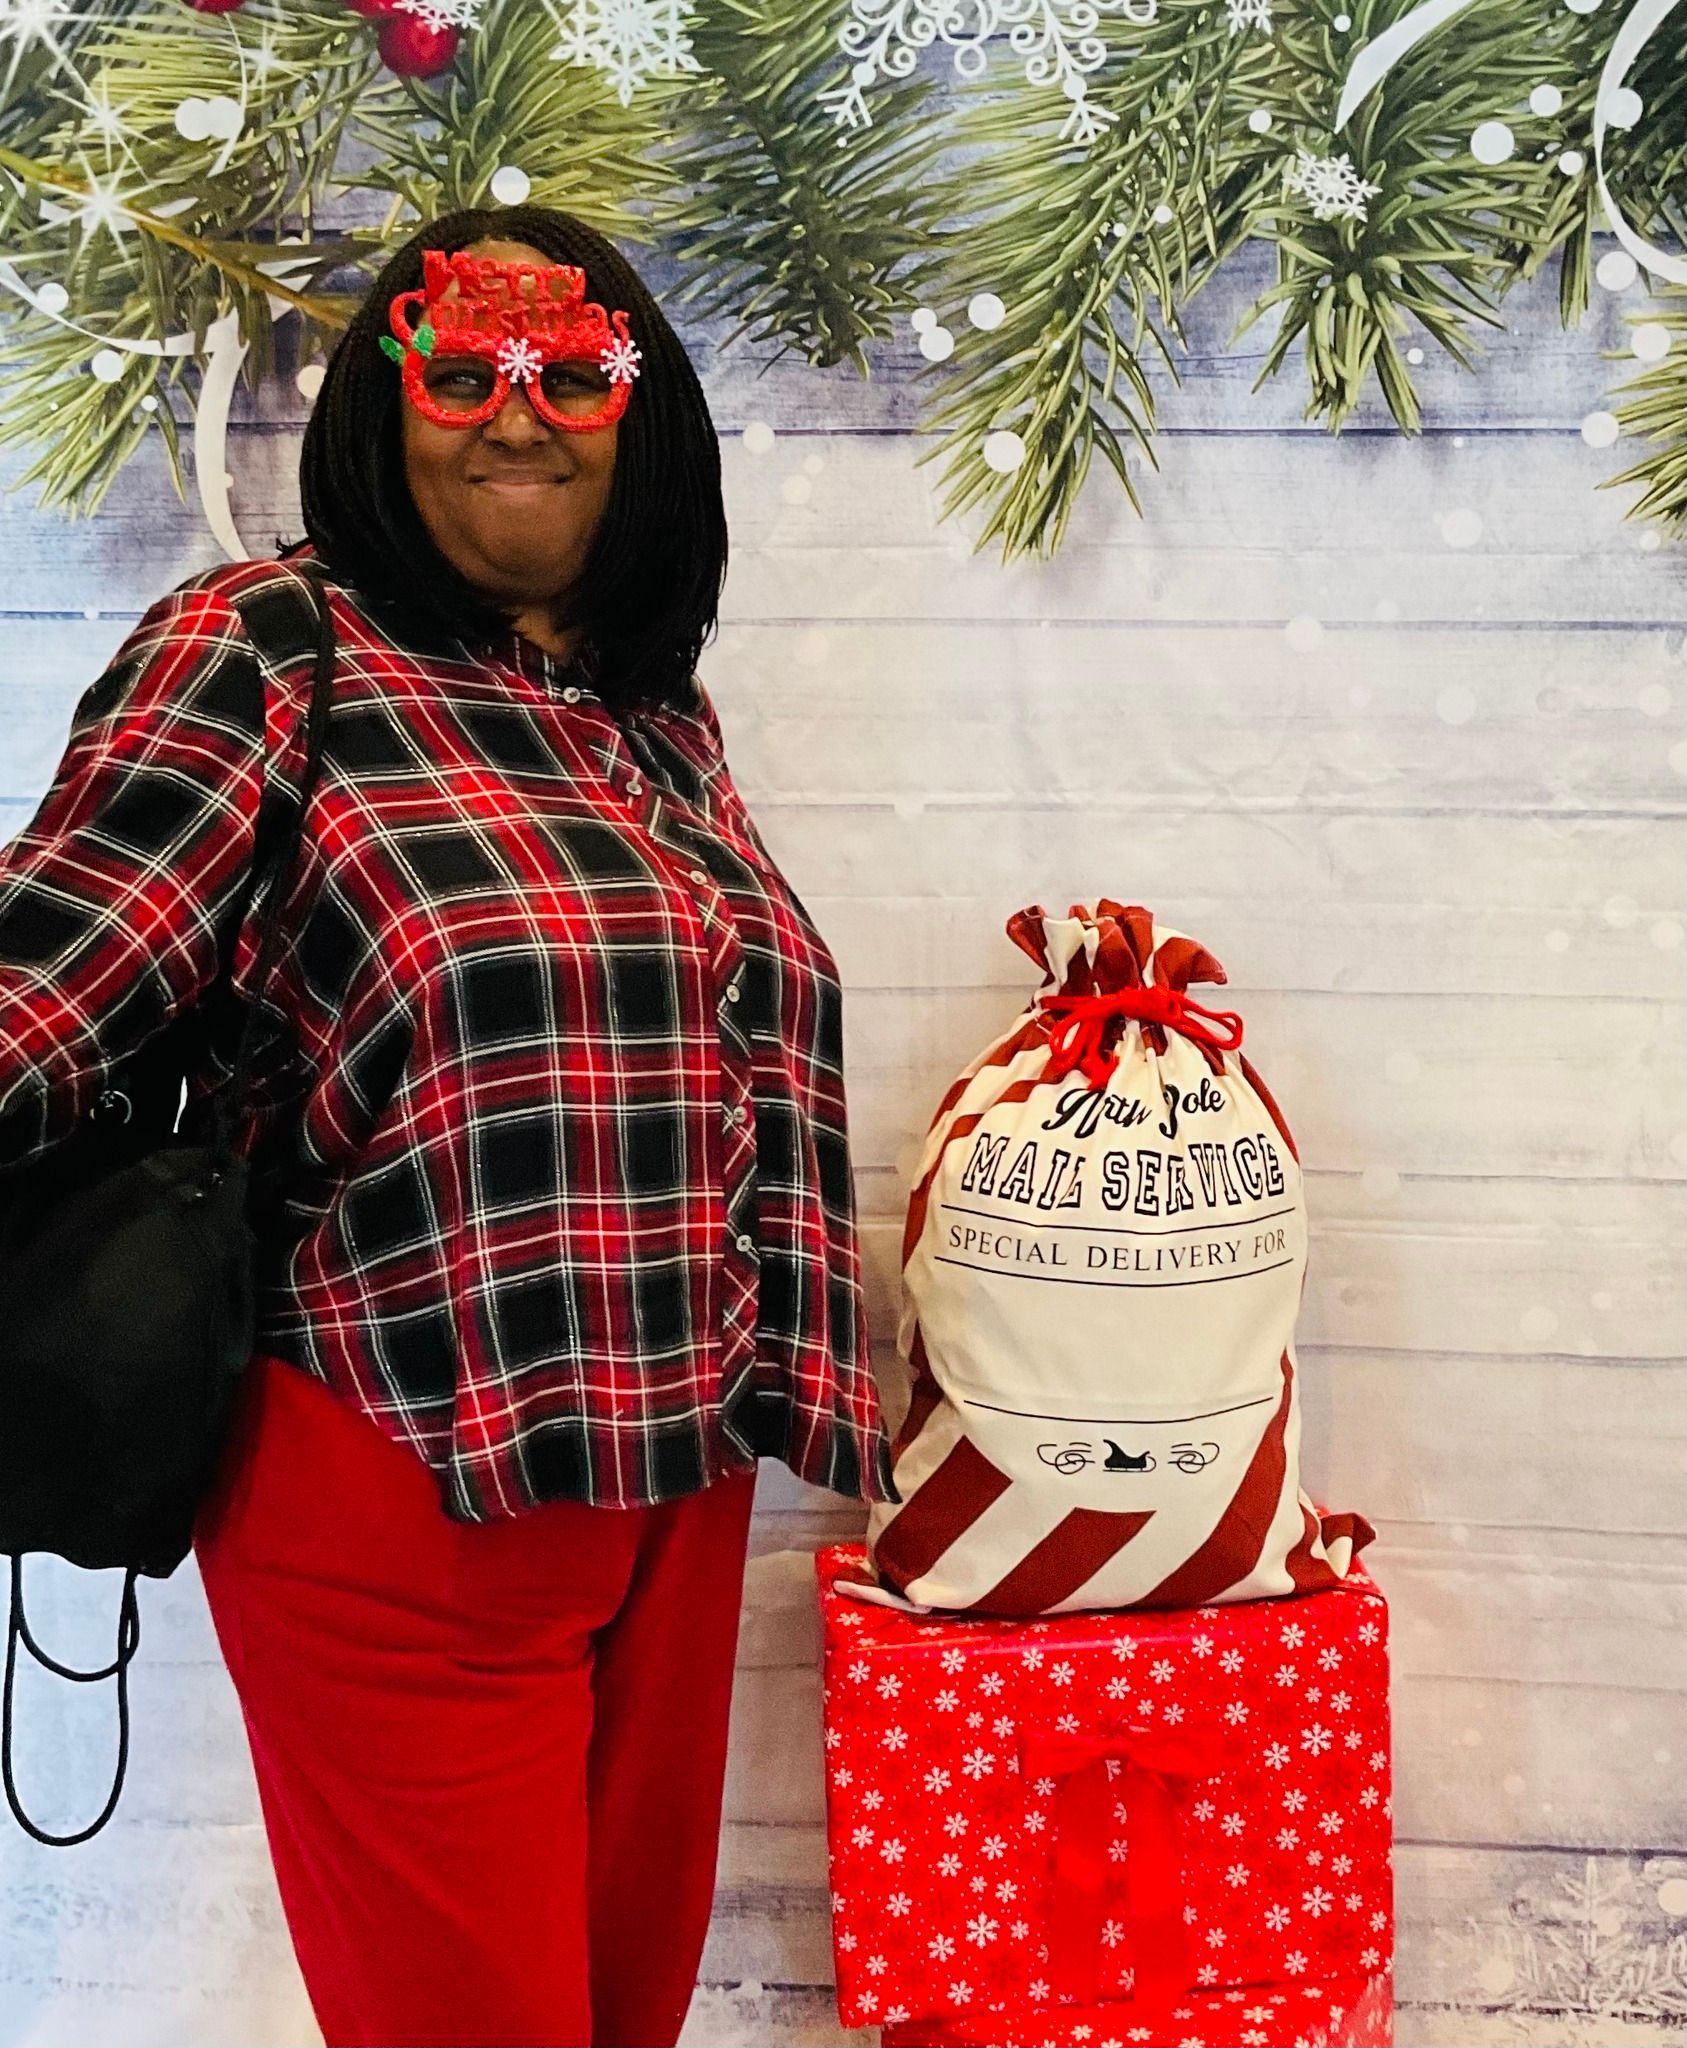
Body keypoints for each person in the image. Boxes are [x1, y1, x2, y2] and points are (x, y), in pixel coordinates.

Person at [0, 205, 900, 2048]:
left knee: (622, 2019)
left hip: (677, 1478)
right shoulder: (270, 646)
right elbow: (50, 980)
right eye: (463, 368)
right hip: (407, 1472)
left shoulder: (652, 707)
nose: (516, 413)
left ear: (641, 416)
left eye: (572, 373)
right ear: (383, 405)